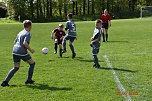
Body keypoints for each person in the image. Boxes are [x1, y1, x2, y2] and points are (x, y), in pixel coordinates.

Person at [1, 20, 35, 87]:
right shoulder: (28, 33)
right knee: (32, 63)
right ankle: (29, 80)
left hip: (15, 51)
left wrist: (17, 49)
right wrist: (31, 50)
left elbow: (14, 42)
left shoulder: (20, 32)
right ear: (30, 26)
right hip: (22, 52)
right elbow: (25, 43)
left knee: (16, 67)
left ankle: (5, 82)